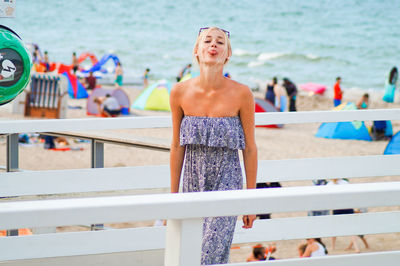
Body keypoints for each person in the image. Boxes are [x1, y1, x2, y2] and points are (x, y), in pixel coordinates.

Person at [169, 27, 257, 265]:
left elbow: (249, 149)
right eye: (207, 41)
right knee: (189, 253)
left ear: (227, 54)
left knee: (210, 255)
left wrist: (251, 199)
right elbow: (177, 146)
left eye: (220, 42)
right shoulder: (179, 92)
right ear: (197, 51)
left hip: (227, 181)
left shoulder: (242, 94)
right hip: (191, 180)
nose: (213, 45)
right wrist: (173, 197)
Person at [327, 178, 360, 252]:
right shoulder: (345, 182)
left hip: (337, 207)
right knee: (351, 228)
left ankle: (333, 247)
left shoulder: (329, 184)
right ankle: (356, 248)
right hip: (347, 206)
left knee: (334, 228)